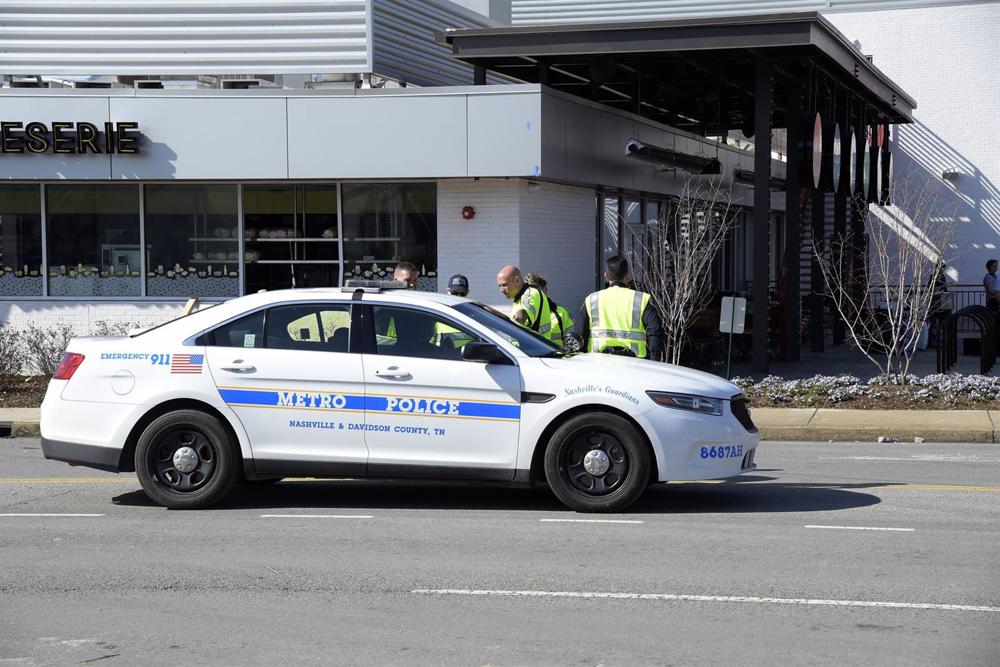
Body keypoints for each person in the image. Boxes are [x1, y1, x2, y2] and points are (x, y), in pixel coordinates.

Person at [579, 255, 663, 361]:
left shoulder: (591, 299)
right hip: (635, 364)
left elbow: (582, 336)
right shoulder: (641, 299)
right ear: (627, 275)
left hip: (598, 363)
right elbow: (655, 333)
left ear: (606, 276)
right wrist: (654, 362)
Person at [496, 265, 555, 341]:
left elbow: (522, 315)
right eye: (499, 286)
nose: (502, 290)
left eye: (504, 285)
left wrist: (519, 317)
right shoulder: (519, 298)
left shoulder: (530, 294)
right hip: (530, 349)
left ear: (517, 280)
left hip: (535, 350)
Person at [525, 272, 574, 347]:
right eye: (529, 290)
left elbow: (571, 341)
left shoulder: (561, 313)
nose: (532, 293)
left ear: (545, 289)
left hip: (555, 357)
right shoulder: (521, 312)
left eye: (535, 289)